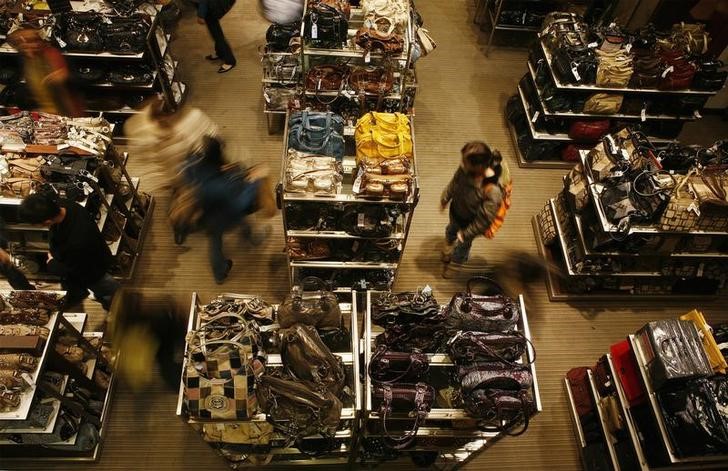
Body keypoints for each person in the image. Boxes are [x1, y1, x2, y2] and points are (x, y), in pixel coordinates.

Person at [182, 137, 276, 283]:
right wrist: (254, 181)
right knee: (223, 235)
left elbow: (188, 169)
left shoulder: (196, 164)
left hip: (205, 212)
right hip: (224, 214)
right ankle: (222, 269)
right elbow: (239, 203)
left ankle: (220, 272)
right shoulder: (220, 186)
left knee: (216, 239)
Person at [18, 194, 119, 310]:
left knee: (107, 290)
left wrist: (52, 263)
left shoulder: (77, 240)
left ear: (47, 222)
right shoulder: (65, 205)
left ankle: (119, 306)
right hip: (95, 256)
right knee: (103, 287)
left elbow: (74, 270)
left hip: (92, 270)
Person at [440, 141, 510, 277]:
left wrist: (466, 233)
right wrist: (446, 197)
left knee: (462, 247)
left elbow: (484, 220)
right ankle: (447, 249)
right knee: (450, 230)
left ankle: (455, 265)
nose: (462, 165)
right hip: (456, 212)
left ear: (480, 166)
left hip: (470, 224)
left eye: (466, 163)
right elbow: (455, 182)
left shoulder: (492, 190)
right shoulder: (465, 168)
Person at [8, 28, 84, 116]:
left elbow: (75, 82)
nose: (27, 44)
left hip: (64, 113)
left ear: (40, 41)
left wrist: (64, 76)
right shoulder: (25, 60)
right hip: (44, 114)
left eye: (32, 40)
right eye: (21, 42)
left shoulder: (52, 54)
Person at [196, 0, 237, 73]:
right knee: (215, 30)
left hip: (211, 6)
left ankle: (230, 60)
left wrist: (201, 13)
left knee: (216, 33)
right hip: (213, 4)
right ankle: (220, 52)